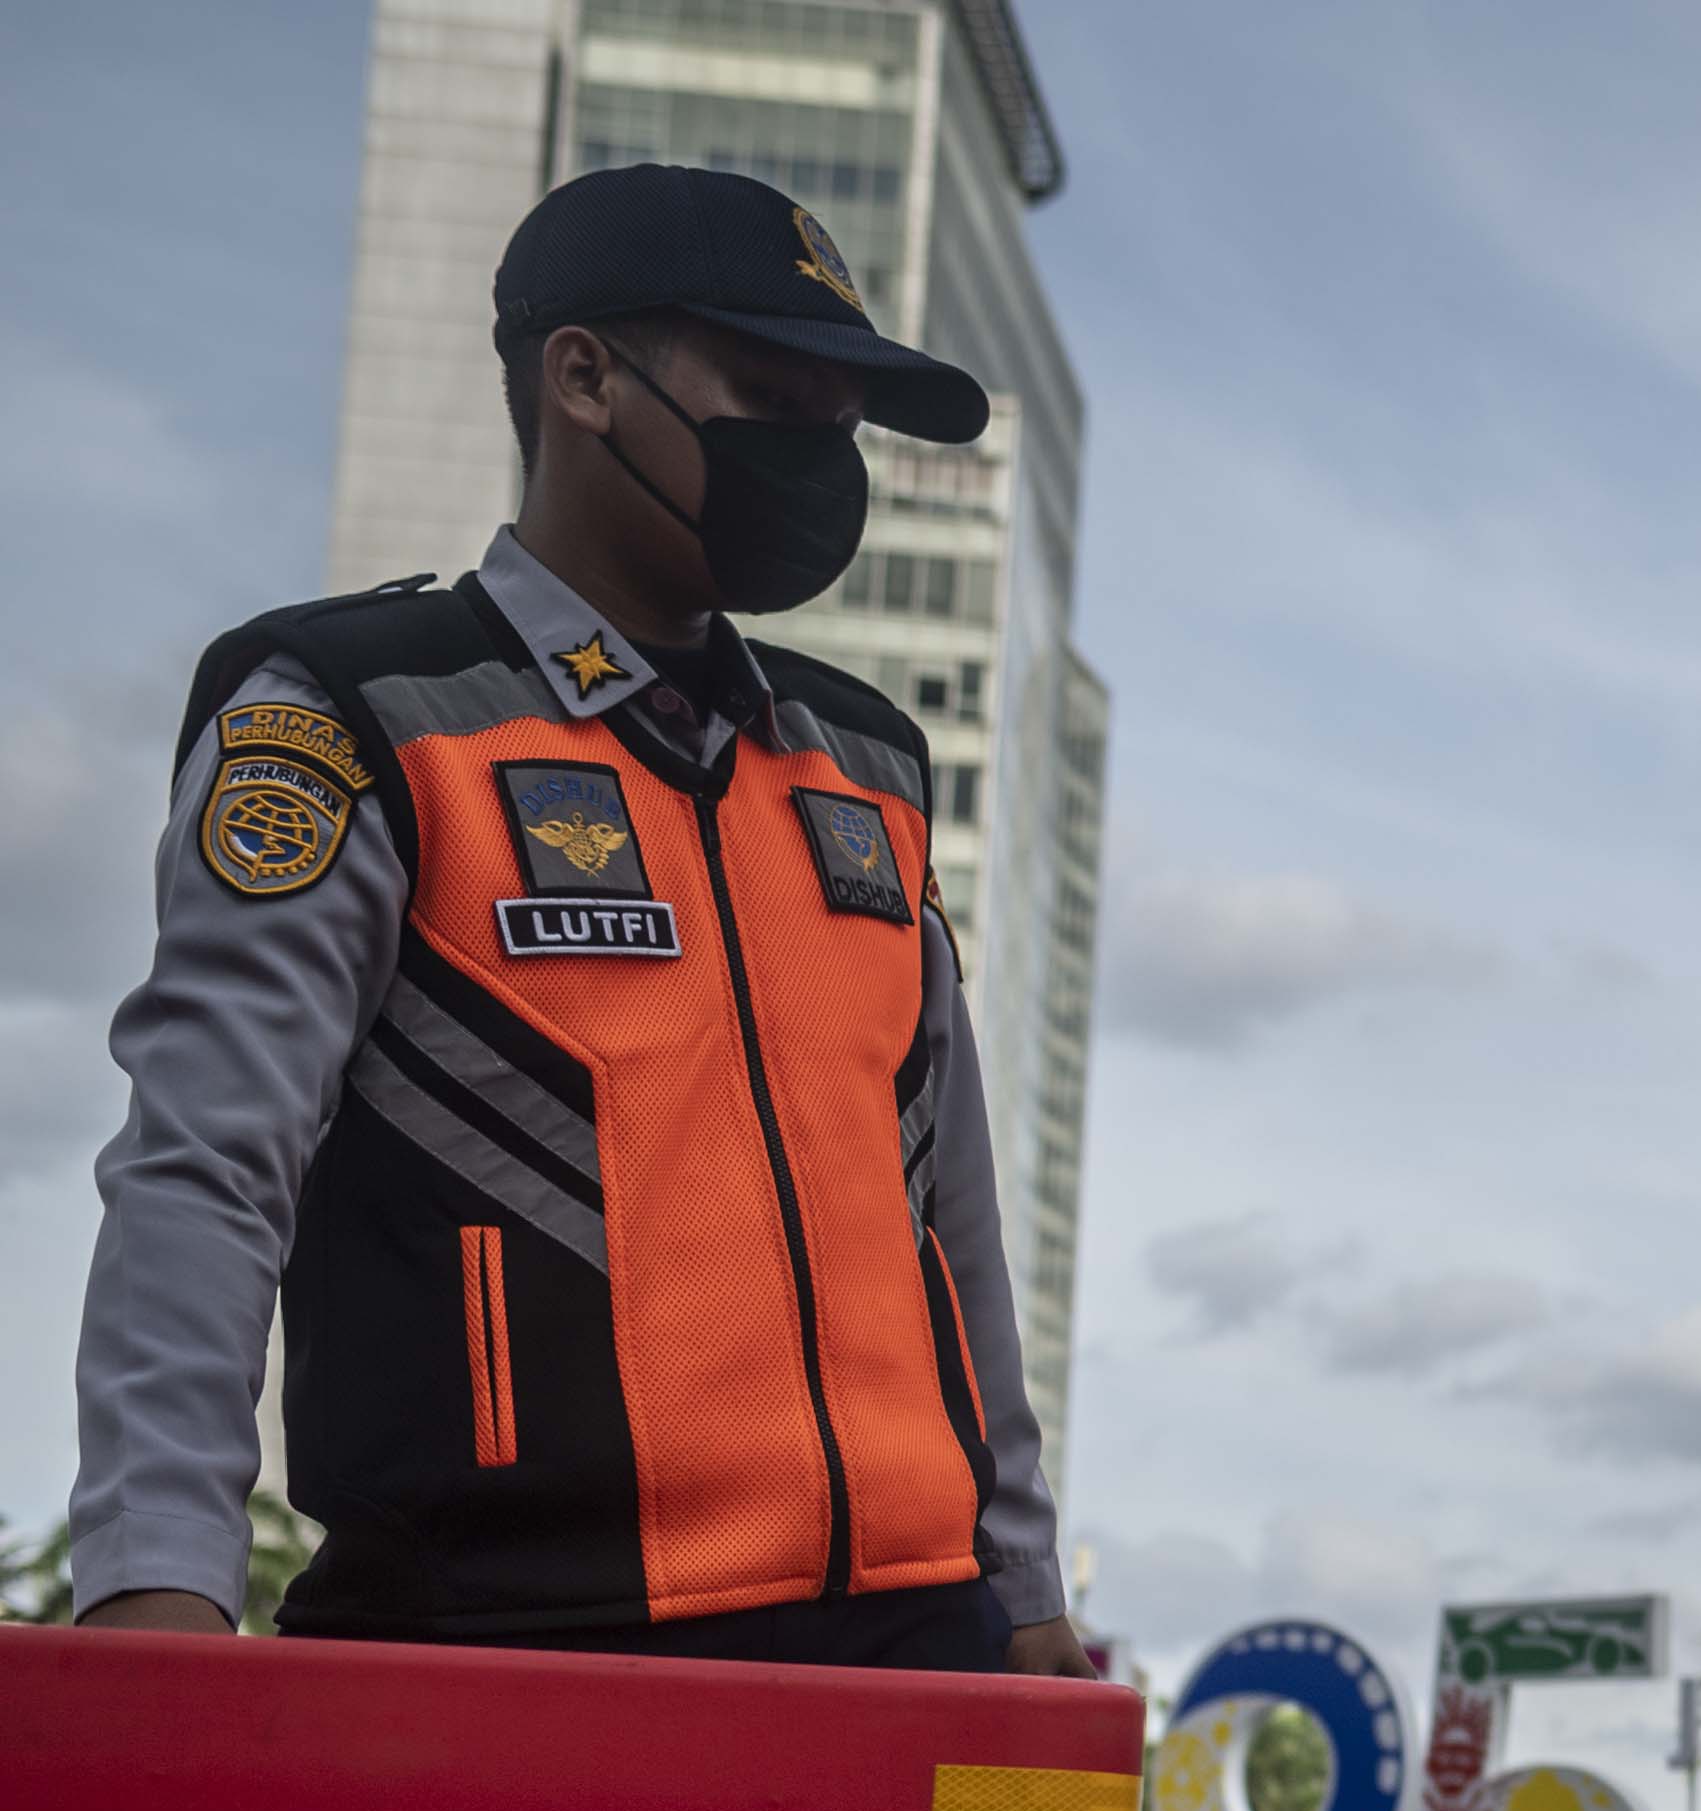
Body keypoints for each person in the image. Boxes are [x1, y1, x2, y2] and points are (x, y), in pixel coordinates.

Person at [64, 163, 1082, 1676]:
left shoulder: (869, 765)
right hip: (519, 1648)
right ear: (586, 378)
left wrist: (1025, 1589)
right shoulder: (354, 712)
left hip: (914, 1649)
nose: (822, 456)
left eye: (837, 420)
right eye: (772, 394)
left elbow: (956, 1219)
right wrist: (156, 1594)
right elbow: (204, 1172)